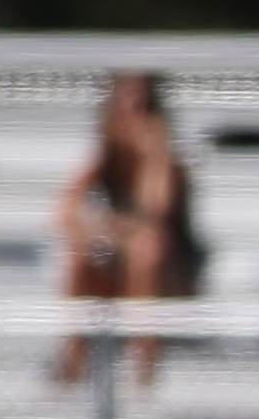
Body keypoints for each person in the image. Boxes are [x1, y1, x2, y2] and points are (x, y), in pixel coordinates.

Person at [53, 73, 202, 387]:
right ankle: (74, 359)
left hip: (170, 277)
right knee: (80, 252)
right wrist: (102, 230)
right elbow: (64, 215)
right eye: (125, 107)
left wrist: (154, 155)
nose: (133, 117)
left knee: (147, 250)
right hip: (120, 266)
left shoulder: (170, 165)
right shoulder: (102, 161)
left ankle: (144, 362)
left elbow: (155, 212)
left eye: (142, 107)